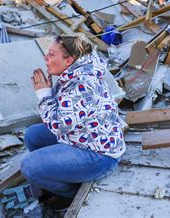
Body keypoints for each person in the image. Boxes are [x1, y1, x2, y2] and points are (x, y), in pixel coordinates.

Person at [18, 33, 126, 209]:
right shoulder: (75, 72)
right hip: (82, 137)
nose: (45, 58)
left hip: (99, 155)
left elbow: (58, 125)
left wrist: (43, 95)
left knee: (29, 166)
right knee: (33, 135)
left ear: (69, 60)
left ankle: (70, 194)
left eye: (51, 54)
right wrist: (49, 93)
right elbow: (63, 111)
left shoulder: (83, 83)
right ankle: (57, 177)